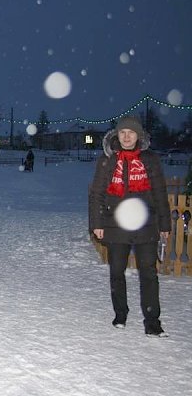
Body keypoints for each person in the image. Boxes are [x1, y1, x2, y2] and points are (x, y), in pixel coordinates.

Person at [89, 116, 170, 337]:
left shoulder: (150, 160)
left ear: (139, 136)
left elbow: (160, 192)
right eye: (123, 132)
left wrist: (164, 223)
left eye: (131, 133)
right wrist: (97, 223)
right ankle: (121, 313)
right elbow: (97, 193)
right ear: (117, 135)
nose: (126, 137)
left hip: (146, 224)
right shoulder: (108, 160)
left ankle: (152, 321)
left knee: (149, 274)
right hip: (115, 224)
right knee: (117, 272)